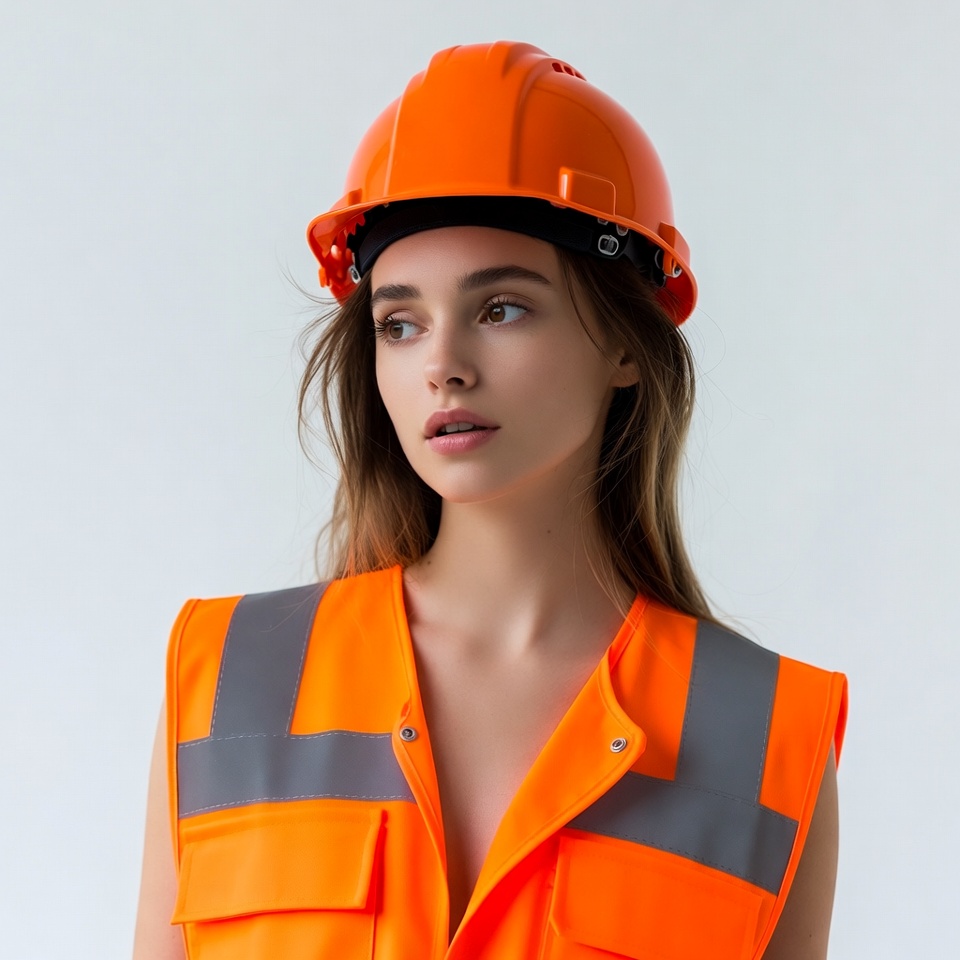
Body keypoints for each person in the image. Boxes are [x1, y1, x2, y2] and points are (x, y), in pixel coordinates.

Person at [134, 41, 847, 960]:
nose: (443, 366)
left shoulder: (769, 738)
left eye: (502, 308)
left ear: (624, 346)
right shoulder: (225, 680)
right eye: (400, 323)